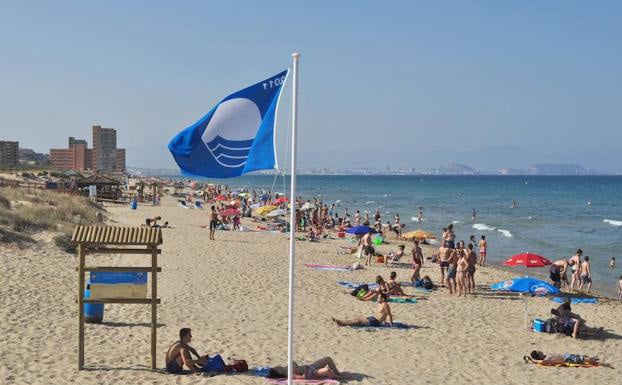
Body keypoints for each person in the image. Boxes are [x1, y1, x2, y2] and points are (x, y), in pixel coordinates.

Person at [164, 328, 246, 374]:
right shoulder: (181, 347)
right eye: (190, 335)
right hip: (172, 369)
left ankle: (196, 369)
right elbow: (186, 362)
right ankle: (195, 371)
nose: (191, 336)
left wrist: (199, 357)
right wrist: (199, 361)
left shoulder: (182, 343)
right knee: (185, 355)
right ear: (185, 336)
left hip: (172, 365)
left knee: (189, 353)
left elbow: (192, 349)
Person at [267, 357, 342, 380]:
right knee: (327, 370)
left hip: (310, 367)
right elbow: (301, 377)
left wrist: (293, 365)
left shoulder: (286, 368)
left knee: (327, 359)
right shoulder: (288, 373)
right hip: (310, 373)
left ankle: (337, 373)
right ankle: (336, 377)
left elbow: (294, 363)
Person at [526, 351, 600, 366]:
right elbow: (540, 362)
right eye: (538, 352)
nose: (540, 351)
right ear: (539, 355)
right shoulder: (545, 360)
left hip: (566, 355)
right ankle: (595, 362)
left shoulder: (545, 356)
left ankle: (592, 359)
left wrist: (532, 360)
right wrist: (532, 360)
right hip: (567, 359)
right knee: (582, 359)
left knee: (581, 356)